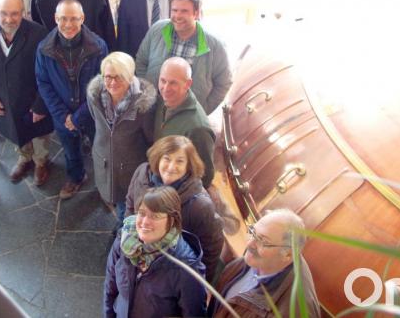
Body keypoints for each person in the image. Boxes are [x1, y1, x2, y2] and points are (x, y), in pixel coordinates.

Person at [0, 0, 54, 185]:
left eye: (15, 14)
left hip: (32, 98)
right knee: (14, 132)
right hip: (2, 99)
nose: (9, 19)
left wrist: (41, 105)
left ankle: (41, 162)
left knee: (39, 134)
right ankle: (24, 158)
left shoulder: (39, 33)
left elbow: (49, 72)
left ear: (23, 13)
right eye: (4, 13)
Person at [125, 135, 225, 283]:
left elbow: (212, 245)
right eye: (167, 158)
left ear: (188, 166)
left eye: (179, 161)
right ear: (158, 157)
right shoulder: (142, 173)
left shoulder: (200, 205)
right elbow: (130, 204)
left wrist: (201, 281)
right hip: (137, 257)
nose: (171, 167)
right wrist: (127, 236)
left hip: (170, 272)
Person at [36, 0, 108, 199]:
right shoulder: (44, 49)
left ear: (83, 18)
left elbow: (102, 84)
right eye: (63, 19)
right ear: (55, 18)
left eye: (74, 18)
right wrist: (63, 116)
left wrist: (80, 115)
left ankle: (104, 184)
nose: (68, 24)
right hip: (63, 114)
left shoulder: (99, 47)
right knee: (70, 150)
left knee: (100, 149)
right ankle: (76, 177)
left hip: (92, 112)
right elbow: (43, 83)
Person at [104, 186, 207, 317]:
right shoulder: (124, 241)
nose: (145, 222)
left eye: (155, 216)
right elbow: (110, 287)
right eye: (141, 213)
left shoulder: (187, 268)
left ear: (172, 220)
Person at [135, 0, 232, 114]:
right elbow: (141, 61)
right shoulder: (157, 30)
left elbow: (224, 83)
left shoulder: (215, 45)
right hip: (154, 110)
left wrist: (203, 109)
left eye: (184, 11)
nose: (178, 16)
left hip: (187, 114)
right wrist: (147, 93)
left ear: (196, 13)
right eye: (174, 10)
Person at [209, 209, 321, 318]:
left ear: (287, 254)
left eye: (264, 241)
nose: (249, 244)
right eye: (252, 232)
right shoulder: (252, 261)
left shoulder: (295, 311)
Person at [87, 52, 156, 222]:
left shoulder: (143, 105)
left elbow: (149, 137)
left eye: (120, 77)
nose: (112, 82)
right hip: (103, 160)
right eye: (108, 76)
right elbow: (96, 120)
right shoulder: (94, 97)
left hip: (130, 168)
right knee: (110, 195)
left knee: (126, 207)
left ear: (131, 76)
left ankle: (122, 231)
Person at [153, 57, 216, 188]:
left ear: (187, 84)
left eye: (173, 83)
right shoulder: (163, 102)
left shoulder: (198, 128)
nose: (165, 88)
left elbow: (205, 176)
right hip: (157, 183)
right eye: (163, 81)